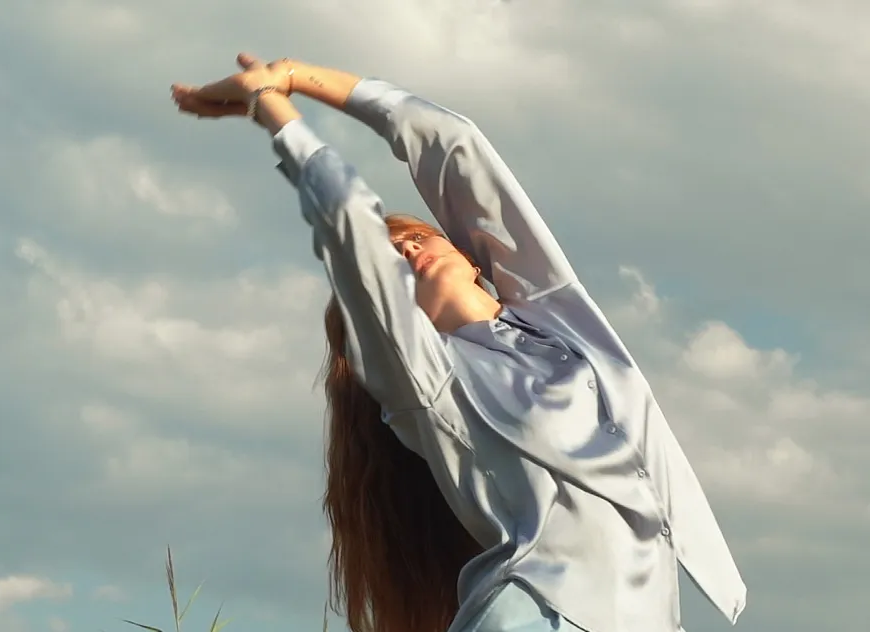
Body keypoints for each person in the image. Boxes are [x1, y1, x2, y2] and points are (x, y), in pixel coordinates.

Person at [171, 53, 747, 632]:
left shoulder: (560, 320)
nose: (409, 251)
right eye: (394, 255)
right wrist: (269, 106)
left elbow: (456, 144)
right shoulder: (426, 379)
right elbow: (346, 218)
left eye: (418, 236)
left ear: (473, 259)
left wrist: (299, 77)